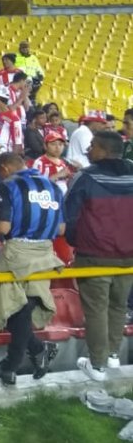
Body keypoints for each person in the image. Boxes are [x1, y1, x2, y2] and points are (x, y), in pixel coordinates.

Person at [0, 152, 65, 385]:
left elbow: (3, 226)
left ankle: (12, 364)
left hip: (18, 252)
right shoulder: (53, 185)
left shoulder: (8, 185)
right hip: (46, 253)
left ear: (5, 168)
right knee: (25, 305)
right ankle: (35, 349)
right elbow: (61, 229)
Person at [66, 131, 133, 381]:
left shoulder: (84, 176)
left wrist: (76, 241)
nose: (87, 150)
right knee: (119, 305)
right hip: (129, 257)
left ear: (104, 150)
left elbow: (70, 215)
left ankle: (97, 365)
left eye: (92, 146)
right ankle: (113, 355)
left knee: (96, 310)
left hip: (94, 256)